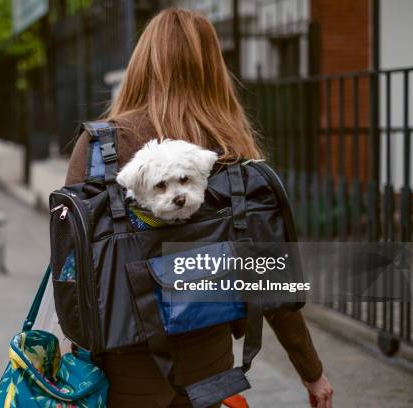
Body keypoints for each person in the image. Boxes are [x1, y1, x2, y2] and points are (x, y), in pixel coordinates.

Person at [65, 9, 333, 408]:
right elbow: (269, 276)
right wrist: (311, 372)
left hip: (124, 367)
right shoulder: (230, 154)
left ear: (141, 64)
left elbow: (72, 262)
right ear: (213, 69)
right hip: (211, 363)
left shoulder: (98, 148)